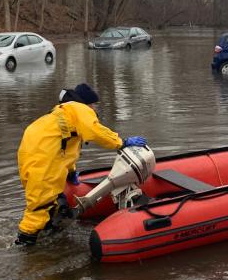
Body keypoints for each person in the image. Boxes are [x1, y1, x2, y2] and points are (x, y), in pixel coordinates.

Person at [15, 82, 146, 246]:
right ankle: (23, 247)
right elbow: (95, 131)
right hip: (42, 157)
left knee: (48, 199)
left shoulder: (63, 110)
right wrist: (121, 142)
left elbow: (65, 146)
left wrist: (70, 171)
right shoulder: (80, 109)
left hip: (30, 152)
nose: (95, 109)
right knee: (40, 207)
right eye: (93, 105)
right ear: (87, 102)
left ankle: (46, 235)